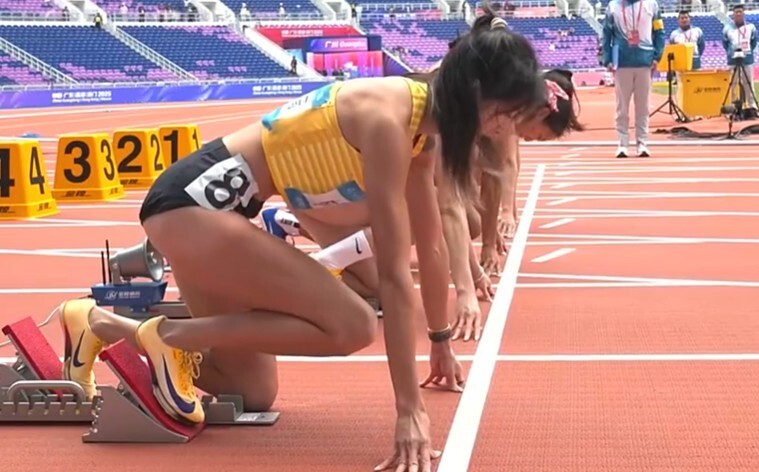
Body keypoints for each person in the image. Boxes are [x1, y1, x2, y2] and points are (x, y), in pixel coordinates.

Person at [58, 7, 545, 471]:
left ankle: (98, 324)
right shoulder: (386, 120)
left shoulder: (422, 133)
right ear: (474, 94)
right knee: (354, 323)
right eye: (507, 113)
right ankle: (167, 336)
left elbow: (433, 246)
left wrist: (440, 340)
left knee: (250, 391)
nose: (507, 128)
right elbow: (395, 276)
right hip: (189, 208)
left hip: (221, 216)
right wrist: (409, 410)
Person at [259, 69, 584, 341]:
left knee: (391, 271)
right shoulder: (439, 119)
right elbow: (445, 211)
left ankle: (299, 237)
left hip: (338, 192)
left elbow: (451, 205)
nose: (524, 141)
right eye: (535, 136)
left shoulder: (472, 116)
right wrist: (460, 296)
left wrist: (472, 275)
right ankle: (286, 272)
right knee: (384, 281)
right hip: (318, 188)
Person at [601, 0, 665, 158]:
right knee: (622, 108)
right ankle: (622, 144)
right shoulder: (613, 6)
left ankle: (642, 143)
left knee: (643, 107)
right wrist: (607, 59)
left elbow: (659, 32)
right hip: (622, 61)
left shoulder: (652, 5)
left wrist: (657, 56)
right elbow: (606, 34)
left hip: (645, 60)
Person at [722, 4, 757, 112]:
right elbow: (725, 43)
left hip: (747, 59)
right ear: (733, 14)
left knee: (749, 83)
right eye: (736, 12)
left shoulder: (751, 27)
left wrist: (746, 52)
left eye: (740, 12)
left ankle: (751, 105)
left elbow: (753, 42)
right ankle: (733, 106)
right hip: (733, 60)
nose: (738, 14)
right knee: (733, 83)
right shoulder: (727, 28)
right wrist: (731, 52)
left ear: (743, 13)